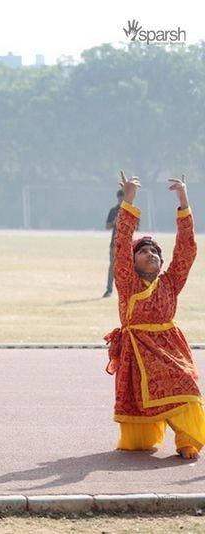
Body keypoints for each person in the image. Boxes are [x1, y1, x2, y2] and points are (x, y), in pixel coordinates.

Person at [104, 172, 203, 459]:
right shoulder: (127, 281)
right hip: (138, 350)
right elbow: (121, 245)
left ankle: (187, 441)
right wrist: (130, 200)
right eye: (144, 252)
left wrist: (183, 202)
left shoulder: (171, 282)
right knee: (139, 437)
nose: (152, 255)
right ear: (132, 263)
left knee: (186, 383)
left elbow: (187, 250)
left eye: (155, 252)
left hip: (170, 347)